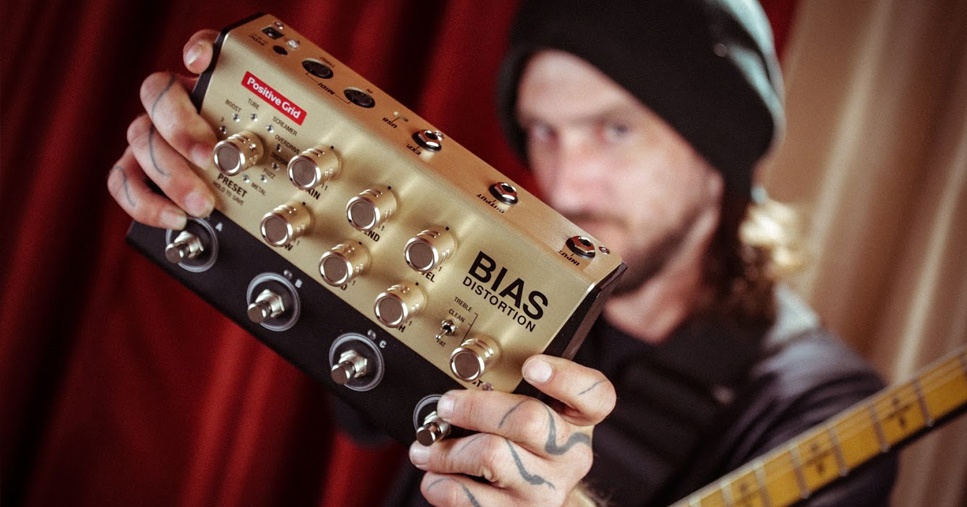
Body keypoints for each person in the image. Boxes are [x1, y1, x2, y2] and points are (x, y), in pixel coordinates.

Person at [107, 0, 898, 505]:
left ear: (715, 158)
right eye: (543, 131)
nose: (567, 181)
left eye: (614, 130)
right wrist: (209, 160)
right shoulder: (488, 267)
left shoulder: (819, 405)